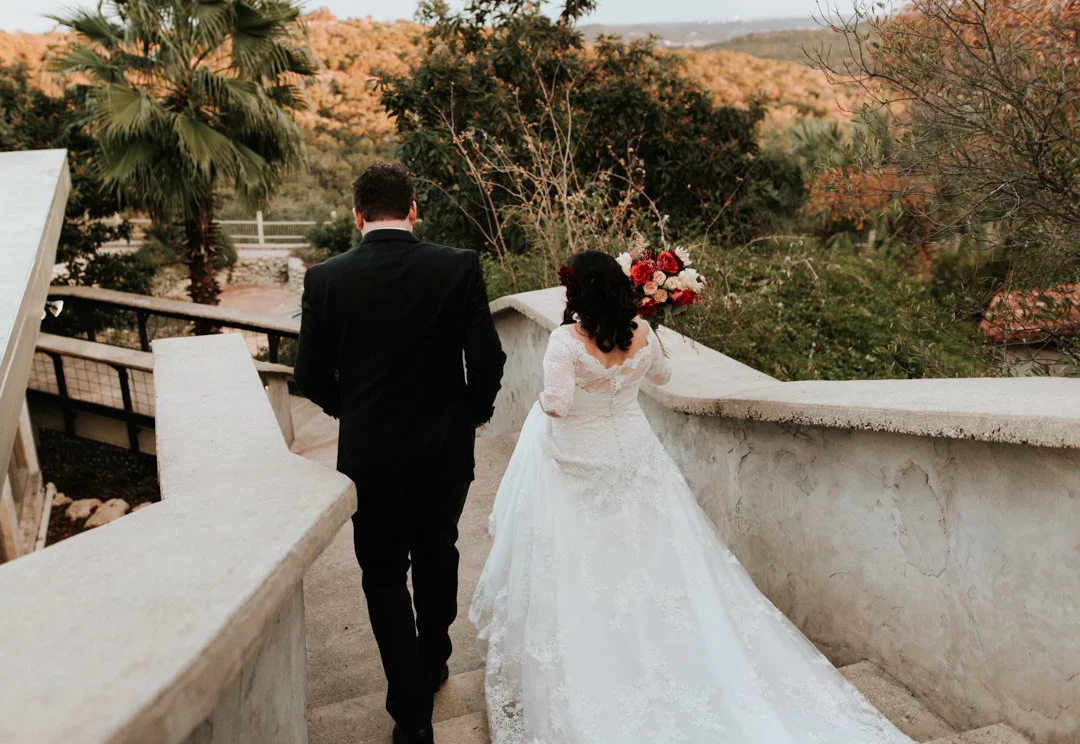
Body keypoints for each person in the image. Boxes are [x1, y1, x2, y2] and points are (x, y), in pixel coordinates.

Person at [469, 250, 914, 743]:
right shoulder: (642, 331)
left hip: (578, 464)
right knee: (656, 556)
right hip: (634, 456)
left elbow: (556, 405)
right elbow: (661, 377)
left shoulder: (564, 342)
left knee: (587, 563)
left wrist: (544, 399)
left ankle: (604, 655)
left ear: (575, 293)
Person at [296, 162, 507, 744]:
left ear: (357, 215)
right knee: (439, 549)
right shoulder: (457, 266)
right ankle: (435, 657)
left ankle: (411, 719)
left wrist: (351, 410)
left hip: (372, 458)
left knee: (383, 575)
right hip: (444, 449)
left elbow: (309, 375)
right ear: (414, 210)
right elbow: (488, 359)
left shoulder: (326, 279)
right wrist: (471, 412)